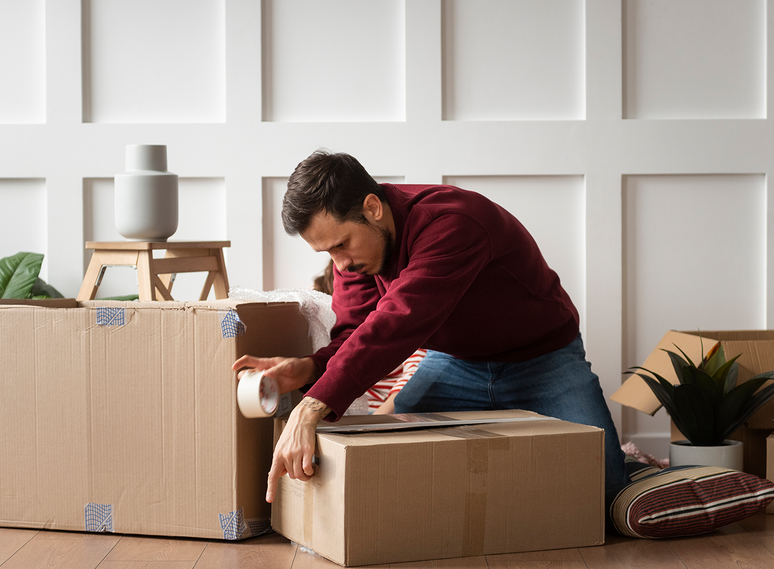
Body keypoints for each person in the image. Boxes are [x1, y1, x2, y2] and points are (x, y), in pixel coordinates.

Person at [232, 150, 628, 506]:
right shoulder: (359, 258)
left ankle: (640, 475)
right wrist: (308, 368)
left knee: (605, 491)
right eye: (327, 253)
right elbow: (355, 332)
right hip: (456, 364)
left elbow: (399, 322)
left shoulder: (454, 222)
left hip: (544, 360)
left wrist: (310, 408)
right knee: (394, 469)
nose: (339, 265)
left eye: (341, 245)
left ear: (372, 208)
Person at [313, 259, 426, 415]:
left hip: (381, 415)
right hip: (350, 412)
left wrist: (373, 424)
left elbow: (414, 377)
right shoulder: (339, 325)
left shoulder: (401, 323)